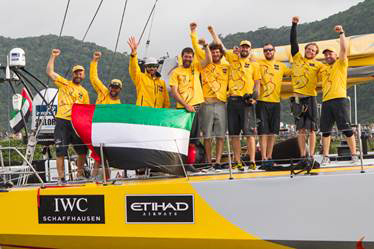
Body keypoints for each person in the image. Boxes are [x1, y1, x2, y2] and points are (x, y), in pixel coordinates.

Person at [209, 25, 261, 171]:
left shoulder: (254, 65)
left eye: (247, 47)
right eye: (242, 47)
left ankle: (251, 161)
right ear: (239, 48)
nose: (244, 49)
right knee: (234, 134)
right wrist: (213, 32)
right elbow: (220, 46)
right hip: (232, 100)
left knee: (249, 133)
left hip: (247, 102)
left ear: (250, 50)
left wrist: (255, 98)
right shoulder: (232, 59)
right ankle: (238, 161)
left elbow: (257, 84)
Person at [46, 49, 90, 184]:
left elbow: (86, 111)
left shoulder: (84, 92)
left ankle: (80, 175)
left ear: (83, 75)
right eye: (76, 72)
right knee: (60, 151)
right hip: (62, 122)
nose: (78, 74)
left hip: (77, 123)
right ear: (73, 74)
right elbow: (49, 72)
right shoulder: (64, 83)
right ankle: (61, 178)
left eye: (80, 72)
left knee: (82, 151)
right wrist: (53, 56)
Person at [190, 22, 229, 169]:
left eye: (218, 52)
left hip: (220, 103)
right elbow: (195, 47)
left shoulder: (226, 65)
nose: (216, 54)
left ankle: (218, 161)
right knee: (206, 135)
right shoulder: (205, 63)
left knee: (220, 135)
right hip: (206, 103)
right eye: (213, 52)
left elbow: (222, 47)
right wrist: (193, 32)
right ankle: (208, 161)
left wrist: (213, 32)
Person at [319, 25, 357, 164]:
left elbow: (343, 49)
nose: (328, 56)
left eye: (330, 54)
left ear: (336, 55)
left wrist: (341, 33)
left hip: (340, 99)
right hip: (326, 101)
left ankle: (354, 155)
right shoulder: (323, 68)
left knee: (346, 128)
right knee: (325, 131)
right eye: (326, 54)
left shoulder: (341, 64)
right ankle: (326, 157)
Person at [290, 16, 324, 165]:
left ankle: (311, 155)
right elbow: (293, 41)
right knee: (300, 130)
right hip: (297, 98)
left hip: (310, 98)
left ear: (315, 54)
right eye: (309, 49)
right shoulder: (297, 57)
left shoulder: (318, 65)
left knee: (311, 130)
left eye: (313, 50)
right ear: (305, 50)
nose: (310, 51)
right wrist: (294, 25)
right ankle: (302, 156)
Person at [169, 40, 211, 143]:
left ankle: (194, 158)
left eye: (190, 57)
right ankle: (182, 158)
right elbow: (174, 92)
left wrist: (205, 46)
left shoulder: (196, 67)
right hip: (182, 108)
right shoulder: (175, 72)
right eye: (186, 56)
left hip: (196, 106)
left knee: (195, 138)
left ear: (192, 57)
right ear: (182, 57)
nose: (188, 59)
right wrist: (186, 105)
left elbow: (209, 60)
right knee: (182, 136)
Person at [257, 43, 291, 168]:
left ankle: (270, 156)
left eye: (270, 50)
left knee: (273, 132)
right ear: (263, 52)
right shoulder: (259, 64)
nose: (268, 52)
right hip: (262, 101)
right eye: (265, 50)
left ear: (274, 51)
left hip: (276, 102)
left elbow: (294, 72)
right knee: (263, 132)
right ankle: (263, 158)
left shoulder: (281, 66)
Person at [90, 51, 123, 179]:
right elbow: (94, 78)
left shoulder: (119, 104)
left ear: (120, 89)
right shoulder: (103, 92)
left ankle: (107, 179)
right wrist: (95, 61)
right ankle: (93, 177)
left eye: (116, 88)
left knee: (107, 156)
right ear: (109, 87)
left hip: (110, 131)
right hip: (97, 127)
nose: (114, 89)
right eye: (112, 87)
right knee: (96, 154)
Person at [128, 36, 170, 108]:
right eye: (149, 66)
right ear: (145, 67)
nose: (152, 68)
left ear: (157, 67)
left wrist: (166, 113)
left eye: (154, 66)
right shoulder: (140, 78)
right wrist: (133, 54)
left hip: (157, 114)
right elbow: (134, 69)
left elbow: (166, 100)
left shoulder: (162, 83)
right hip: (143, 112)